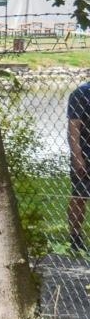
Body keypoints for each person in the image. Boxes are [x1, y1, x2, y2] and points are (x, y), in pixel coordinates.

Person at [69, 78, 90, 253]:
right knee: (80, 196)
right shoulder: (81, 93)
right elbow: (73, 127)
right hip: (86, 154)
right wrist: (77, 157)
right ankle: (75, 237)